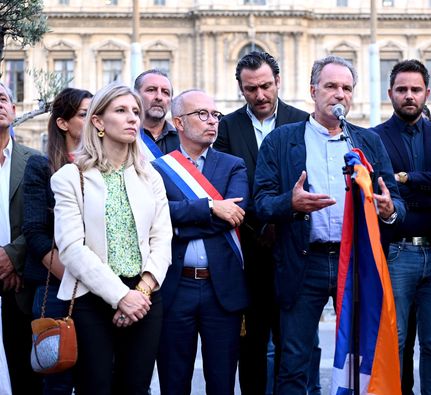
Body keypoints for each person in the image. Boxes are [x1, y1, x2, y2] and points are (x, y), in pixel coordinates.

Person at [254, 55, 405, 394]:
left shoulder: (366, 142)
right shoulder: (281, 140)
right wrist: (289, 204)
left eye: (347, 88)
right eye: (331, 86)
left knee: (358, 359)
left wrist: (387, 208)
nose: (340, 95)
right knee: (294, 359)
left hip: (355, 262)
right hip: (302, 261)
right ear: (313, 91)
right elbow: (260, 203)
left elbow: (396, 203)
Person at [51, 83, 172, 394]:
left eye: (135, 112)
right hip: (91, 300)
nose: (132, 118)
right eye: (121, 111)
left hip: (145, 298)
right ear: (98, 122)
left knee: (135, 387)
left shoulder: (150, 176)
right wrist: (121, 296)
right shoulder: (70, 177)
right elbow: (71, 249)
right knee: (96, 387)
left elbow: (162, 238)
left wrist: (141, 291)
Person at [213, 50, 310, 394]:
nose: (260, 95)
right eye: (251, 89)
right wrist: (260, 222)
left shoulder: (303, 122)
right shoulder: (226, 127)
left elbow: (307, 181)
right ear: (240, 88)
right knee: (251, 341)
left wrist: (278, 216)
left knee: (295, 341)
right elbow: (226, 184)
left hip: (294, 245)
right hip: (248, 246)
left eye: (266, 86)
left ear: (278, 82)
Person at [371, 59, 431, 395]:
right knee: (395, 340)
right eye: (402, 89)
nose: (409, 96)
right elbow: (382, 189)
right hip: (396, 252)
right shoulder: (374, 138)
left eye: (416, 89)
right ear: (390, 92)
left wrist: (405, 179)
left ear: (427, 92)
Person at [154, 89, 249, 395]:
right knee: (173, 380)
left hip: (221, 289)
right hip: (174, 287)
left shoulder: (233, 165)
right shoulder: (159, 168)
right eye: (202, 114)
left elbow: (234, 215)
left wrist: (179, 226)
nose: (213, 122)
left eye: (215, 115)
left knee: (222, 382)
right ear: (178, 122)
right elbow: (156, 216)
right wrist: (210, 208)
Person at [22, 87, 92, 395]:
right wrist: (76, 275)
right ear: (63, 123)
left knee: (99, 374)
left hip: (100, 288)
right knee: (57, 377)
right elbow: (35, 232)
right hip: (55, 286)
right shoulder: (41, 165)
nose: (92, 120)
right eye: (83, 114)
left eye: (95, 113)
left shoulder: (108, 166)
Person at [0, 81, 42, 395]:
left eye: (2, 99)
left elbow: (44, 220)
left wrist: (13, 258)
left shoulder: (36, 161)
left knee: (23, 375)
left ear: (14, 110)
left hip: (21, 286)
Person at [134, 69, 179, 158]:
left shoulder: (182, 141)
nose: (159, 97)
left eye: (165, 92)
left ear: (170, 101)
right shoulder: (123, 136)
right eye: (151, 90)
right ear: (136, 96)